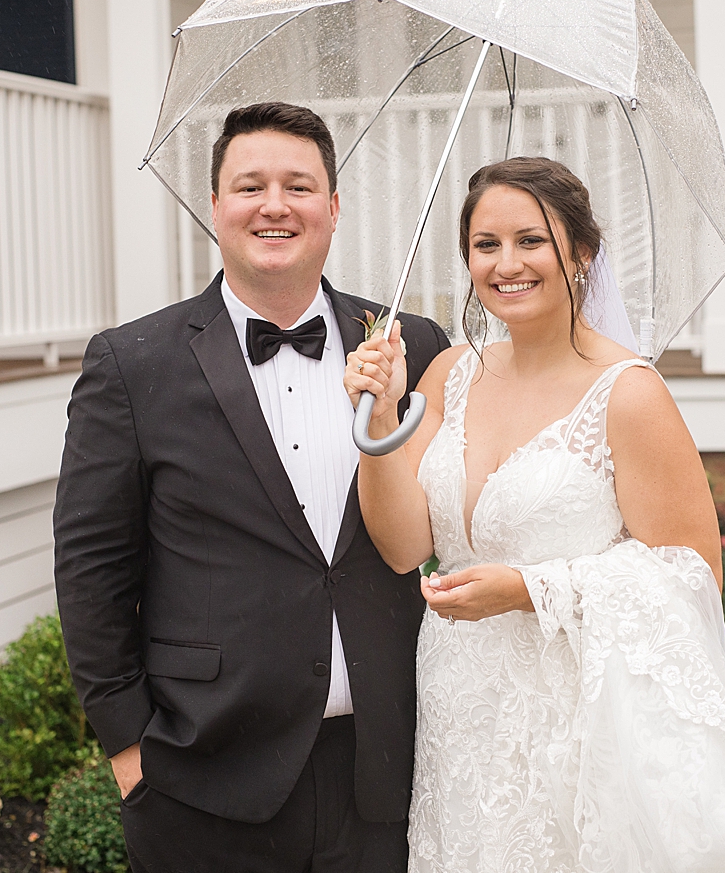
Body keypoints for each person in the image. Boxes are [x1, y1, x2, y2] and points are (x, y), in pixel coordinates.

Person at [345, 157, 725, 873]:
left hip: (576, 726)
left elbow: (692, 578)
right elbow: (401, 547)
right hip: (460, 711)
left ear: (581, 253)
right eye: (486, 245)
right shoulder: (451, 373)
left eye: (531, 241)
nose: (506, 264)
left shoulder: (629, 393)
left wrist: (531, 589)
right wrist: (381, 416)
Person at [54, 102, 450, 873]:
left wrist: (393, 405)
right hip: (204, 777)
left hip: (388, 773)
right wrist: (132, 750)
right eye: (251, 186)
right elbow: (92, 571)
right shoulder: (132, 363)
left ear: (333, 209)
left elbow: (434, 532)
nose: (275, 205)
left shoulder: (414, 345)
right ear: (216, 207)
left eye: (299, 186)